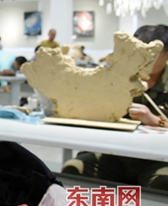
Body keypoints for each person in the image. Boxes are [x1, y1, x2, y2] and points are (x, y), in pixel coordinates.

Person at [62, 24, 168, 191]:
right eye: (137, 52)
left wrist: (155, 120)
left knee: (162, 184)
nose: (142, 59)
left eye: (151, 55)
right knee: (74, 169)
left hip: (158, 159)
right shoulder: (117, 75)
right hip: (116, 154)